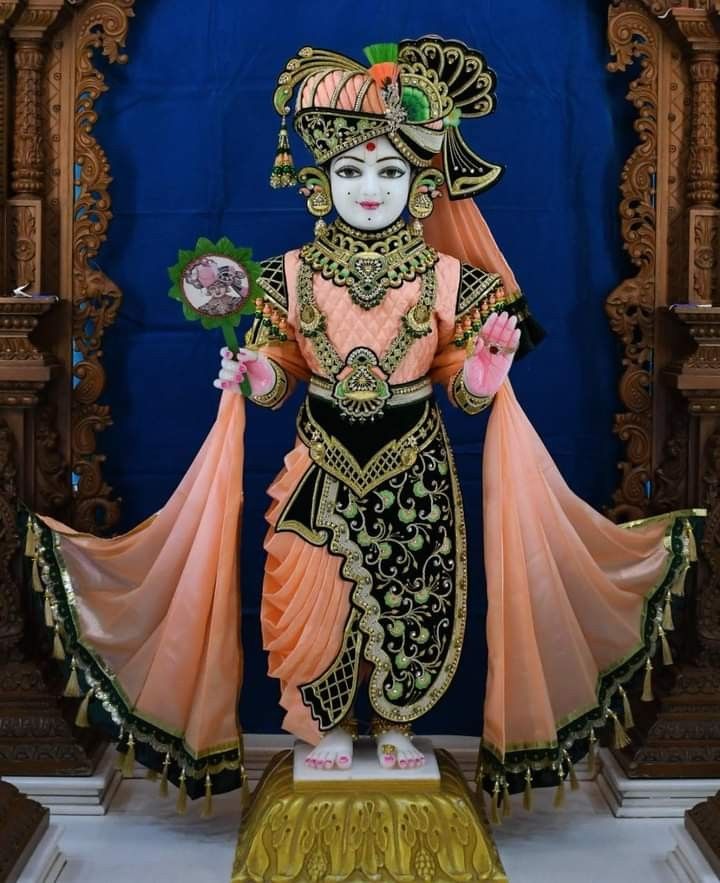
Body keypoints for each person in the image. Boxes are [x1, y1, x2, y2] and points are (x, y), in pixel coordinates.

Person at [25, 37, 701, 814]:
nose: (369, 188)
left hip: (417, 466)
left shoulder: (455, 278)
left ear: (421, 190)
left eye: (388, 171)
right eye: (349, 172)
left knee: (418, 594)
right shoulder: (288, 273)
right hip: (318, 470)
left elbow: (466, 388)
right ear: (318, 186)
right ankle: (330, 727)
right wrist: (257, 373)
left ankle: (398, 723)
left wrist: (480, 376)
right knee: (319, 601)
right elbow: (282, 376)